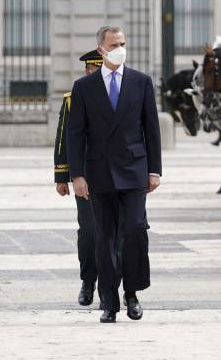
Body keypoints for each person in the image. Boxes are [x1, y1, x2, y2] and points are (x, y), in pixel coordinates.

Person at [66, 26, 162, 324]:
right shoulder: (84, 87)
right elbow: (75, 134)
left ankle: (132, 292)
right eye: (113, 44)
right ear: (101, 50)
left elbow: (151, 128)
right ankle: (109, 299)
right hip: (100, 171)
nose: (120, 48)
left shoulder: (141, 81)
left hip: (134, 170)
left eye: (123, 43)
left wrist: (155, 170)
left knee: (135, 229)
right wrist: (77, 175)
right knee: (104, 237)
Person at [53, 49, 104, 307]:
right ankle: (88, 280)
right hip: (86, 176)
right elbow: (64, 137)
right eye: (88, 69)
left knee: (116, 233)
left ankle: (110, 286)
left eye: (92, 69)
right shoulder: (73, 98)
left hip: (115, 174)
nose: (88, 73)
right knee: (89, 232)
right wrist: (62, 175)